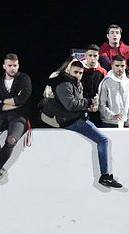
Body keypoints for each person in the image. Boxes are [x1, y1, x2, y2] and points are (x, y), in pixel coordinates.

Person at [45, 59, 122, 189]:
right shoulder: (64, 84)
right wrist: (88, 102)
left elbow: (77, 104)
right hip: (70, 120)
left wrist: (88, 106)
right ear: (69, 70)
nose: (78, 75)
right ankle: (105, 176)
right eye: (75, 72)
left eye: (80, 73)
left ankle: (106, 175)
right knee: (103, 140)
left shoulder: (74, 83)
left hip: (76, 118)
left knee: (102, 140)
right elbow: (70, 105)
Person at [0, 53, 31, 193]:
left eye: (15, 65)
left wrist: (3, 101)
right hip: (2, 114)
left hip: (19, 116)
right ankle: (0, 169)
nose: (12, 68)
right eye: (9, 65)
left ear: (18, 65)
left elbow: (22, 99)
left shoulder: (24, 79)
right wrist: (11, 102)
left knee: (11, 140)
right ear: (4, 66)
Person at [98, 55, 129, 128]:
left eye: (122, 66)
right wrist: (112, 116)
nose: (120, 68)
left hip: (125, 123)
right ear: (112, 66)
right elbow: (101, 104)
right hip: (109, 123)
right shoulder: (106, 82)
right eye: (117, 65)